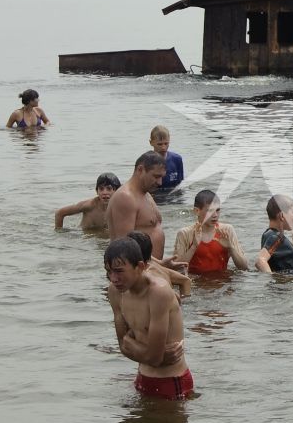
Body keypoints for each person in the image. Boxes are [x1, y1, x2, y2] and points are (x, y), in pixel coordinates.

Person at [105, 236, 193, 399]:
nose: (114, 279)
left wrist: (133, 344)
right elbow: (123, 347)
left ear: (140, 266)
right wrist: (149, 355)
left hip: (171, 382)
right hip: (141, 378)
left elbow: (152, 357)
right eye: (109, 272)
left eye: (119, 271)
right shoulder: (115, 291)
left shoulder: (158, 292)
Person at [171, 189, 250, 277]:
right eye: (210, 211)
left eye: (218, 210)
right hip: (197, 286)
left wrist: (231, 248)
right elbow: (176, 269)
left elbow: (244, 267)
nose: (215, 215)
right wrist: (194, 246)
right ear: (197, 211)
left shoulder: (227, 231)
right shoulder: (185, 233)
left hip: (223, 285)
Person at [109, 151, 168, 258]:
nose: (160, 183)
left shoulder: (146, 193)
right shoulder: (125, 197)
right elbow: (125, 248)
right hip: (136, 272)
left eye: (161, 177)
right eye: (156, 176)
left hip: (151, 268)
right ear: (140, 170)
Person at [55, 172, 122, 231]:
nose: (104, 192)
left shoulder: (122, 208)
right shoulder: (89, 206)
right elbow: (59, 213)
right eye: (101, 189)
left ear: (117, 191)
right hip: (84, 236)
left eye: (109, 188)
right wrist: (59, 234)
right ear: (96, 191)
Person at [256, 194, 293, 274]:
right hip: (285, 284)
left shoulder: (267, 234)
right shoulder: (276, 237)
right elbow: (260, 261)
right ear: (282, 216)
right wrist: (272, 280)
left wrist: (292, 245)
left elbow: (275, 258)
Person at [149, 125, 186, 198]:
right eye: (159, 144)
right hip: (155, 198)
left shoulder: (177, 159)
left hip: (173, 197)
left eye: (166, 143)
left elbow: (180, 185)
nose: (163, 147)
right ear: (151, 142)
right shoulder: (146, 161)